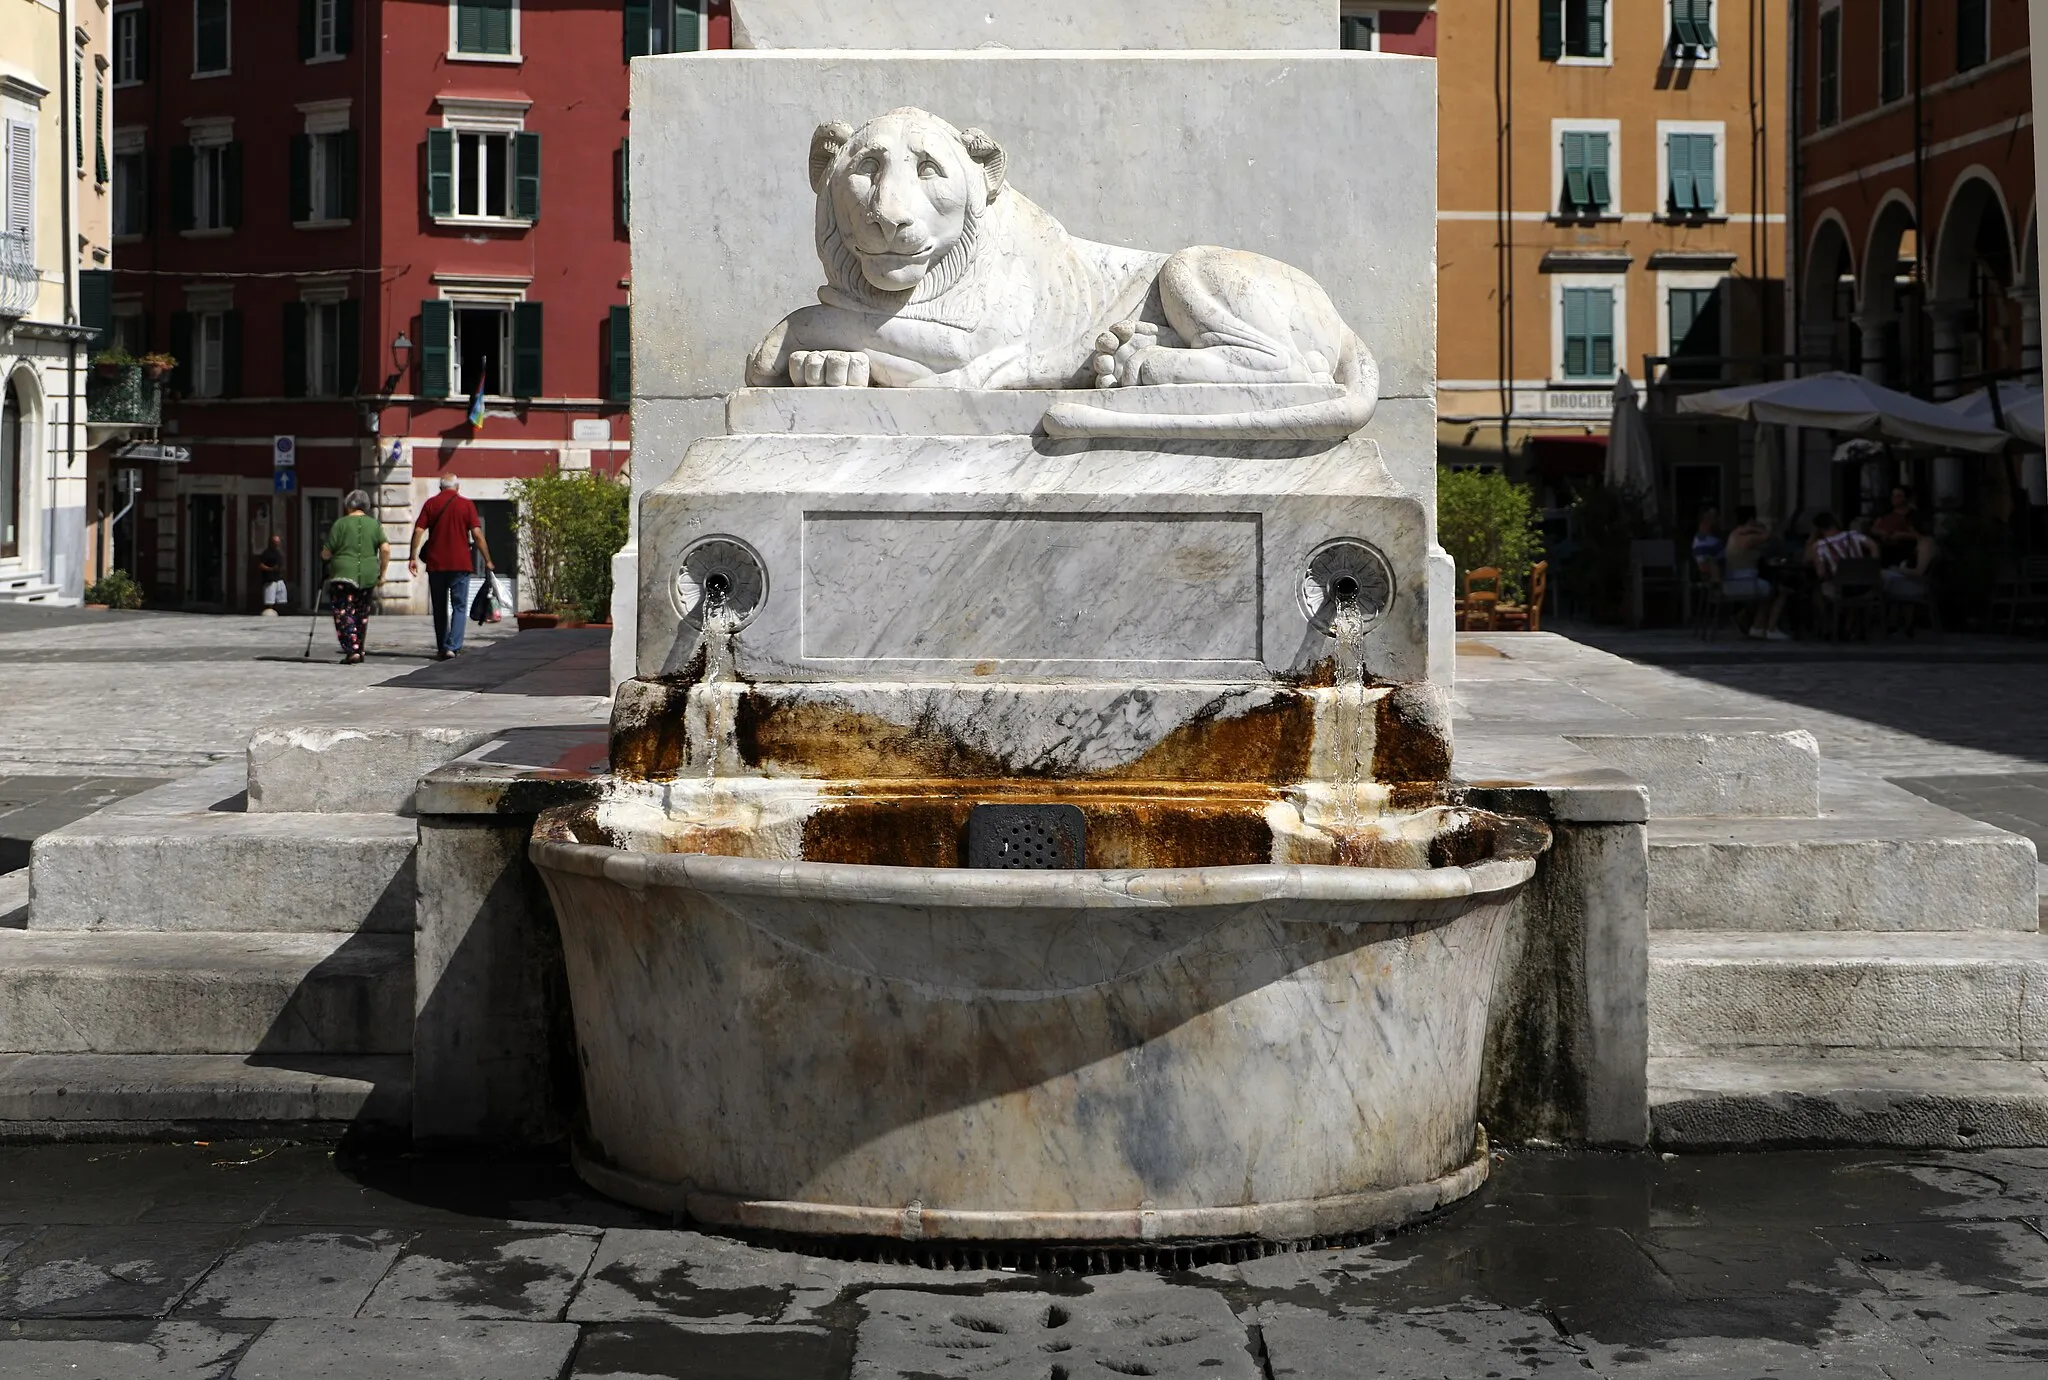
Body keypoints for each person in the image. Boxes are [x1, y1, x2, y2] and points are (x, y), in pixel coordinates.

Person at [409, 475, 495, 661]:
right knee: (459, 607)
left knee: (439, 608)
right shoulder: (466, 505)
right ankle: (453, 647)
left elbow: (418, 531)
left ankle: (442, 646)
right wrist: (487, 559)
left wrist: (412, 557)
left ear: (440, 487)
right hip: (460, 564)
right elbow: (477, 534)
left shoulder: (431, 504)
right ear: (457, 486)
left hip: (436, 564)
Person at [321, 490, 388, 665]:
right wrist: (383, 573)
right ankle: (360, 647)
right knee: (361, 612)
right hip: (368, 574)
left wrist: (325, 554)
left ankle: (352, 649)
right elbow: (386, 549)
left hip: (342, 574)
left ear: (349, 506)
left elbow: (327, 552)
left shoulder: (340, 524)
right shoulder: (375, 525)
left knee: (343, 611)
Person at [1723, 505, 1789, 640]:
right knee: (1780, 590)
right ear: (1751, 519)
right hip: (1745, 581)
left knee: (1768, 588)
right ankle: (1771, 627)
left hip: (1732, 579)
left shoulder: (1733, 535)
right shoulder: (1750, 538)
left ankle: (1758, 626)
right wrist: (1757, 527)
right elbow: (1769, 536)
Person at [1871, 485, 1921, 563]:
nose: (1894, 498)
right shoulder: (1886, 513)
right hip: (1882, 544)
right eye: (1893, 495)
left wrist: (1900, 535)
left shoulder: (1912, 515)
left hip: (1900, 548)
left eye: (1898, 496)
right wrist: (1882, 532)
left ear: (1906, 498)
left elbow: (1920, 536)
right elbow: (1874, 529)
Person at [256, 535, 288, 616]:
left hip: (279, 578)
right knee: (270, 600)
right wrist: (271, 569)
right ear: (271, 543)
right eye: (275, 542)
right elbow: (260, 565)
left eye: (278, 542)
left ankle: (279, 612)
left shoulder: (278, 553)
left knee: (281, 599)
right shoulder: (266, 553)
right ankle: (270, 612)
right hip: (270, 579)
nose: (277, 544)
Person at [1690, 504, 1724, 577]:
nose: (1718, 520)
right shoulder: (1702, 543)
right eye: (1715, 517)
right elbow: (1706, 570)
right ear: (1705, 519)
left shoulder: (1713, 540)